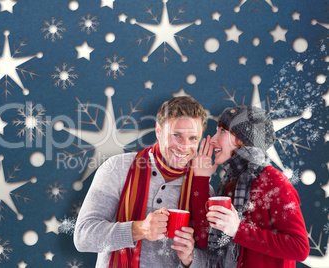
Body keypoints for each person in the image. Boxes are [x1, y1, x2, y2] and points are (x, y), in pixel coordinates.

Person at [74, 96, 213, 268]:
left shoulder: (202, 190)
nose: (184, 147)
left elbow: (212, 260)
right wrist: (139, 229)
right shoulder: (117, 168)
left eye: (193, 138)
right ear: (158, 131)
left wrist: (190, 258)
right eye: (176, 135)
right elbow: (83, 238)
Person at [201, 105, 309, 268]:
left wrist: (238, 230)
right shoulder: (228, 183)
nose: (213, 139)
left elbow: (299, 247)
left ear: (243, 139)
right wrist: (200, 179)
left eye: (222, 131)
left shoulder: (274, 181)